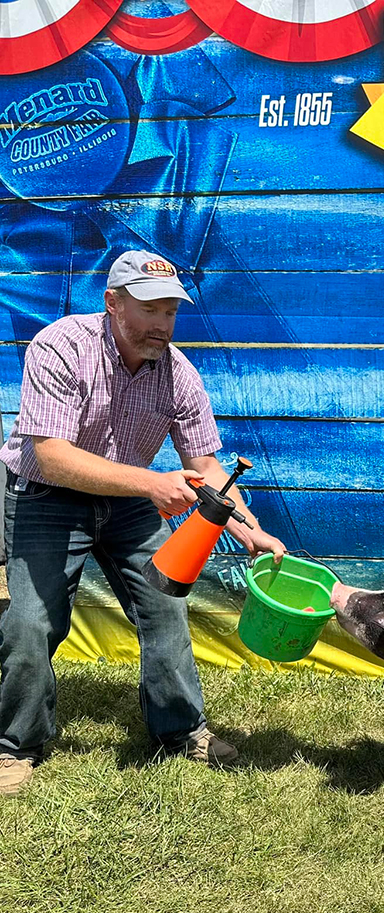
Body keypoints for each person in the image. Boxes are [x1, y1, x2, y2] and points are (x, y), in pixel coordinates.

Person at [0, 250, 287, 796]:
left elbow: (206, 467)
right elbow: (54, 456)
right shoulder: (60, 346)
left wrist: (249, 527)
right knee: (31, 624)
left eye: (171, 312)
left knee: (165, 604)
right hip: (46, 496)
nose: (163, 324)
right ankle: (16, 745)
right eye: (151, 308)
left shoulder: (179, 372)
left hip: (129, 499)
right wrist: (152, 484)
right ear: (113, 303)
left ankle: (181, 731)